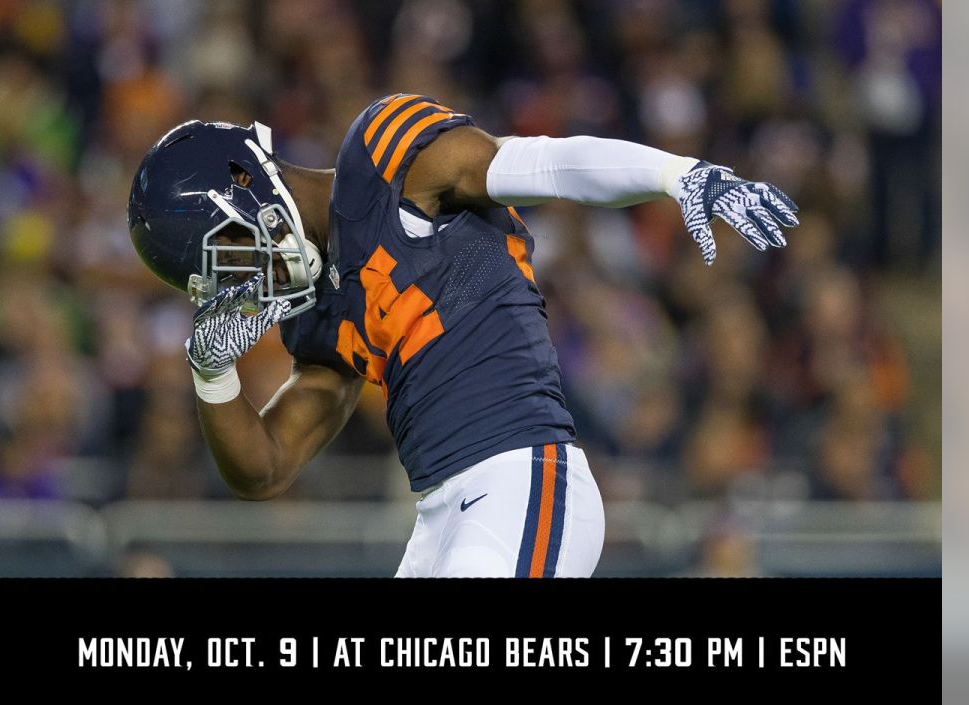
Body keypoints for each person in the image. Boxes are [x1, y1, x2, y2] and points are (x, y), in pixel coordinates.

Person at [126, 93, 798, 577]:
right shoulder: (321, 315)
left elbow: (541, 164)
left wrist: (674, 175)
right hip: (443, 515)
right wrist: (211, 371)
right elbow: (265, 466)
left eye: (235, 253)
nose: (249, 279)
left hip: (520, 482)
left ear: (246, 182)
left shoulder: (383, 162)